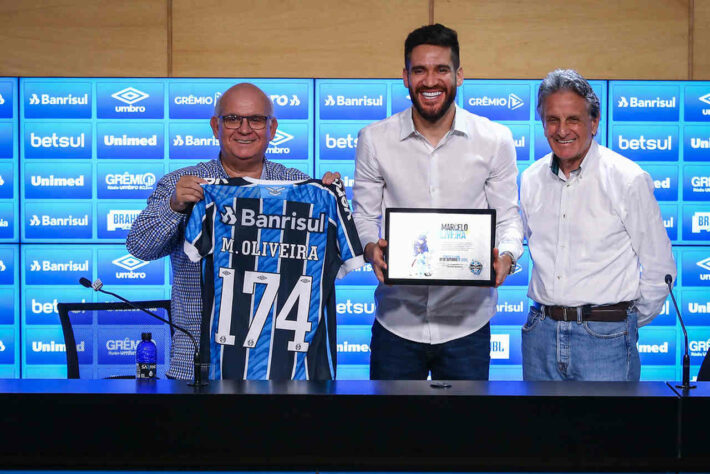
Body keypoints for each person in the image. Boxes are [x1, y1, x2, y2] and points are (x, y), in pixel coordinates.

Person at [127, 83, 339, 380]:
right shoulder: (184, 183)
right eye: (232, 119)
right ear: (216, 126)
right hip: (198, 365)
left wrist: (329, 200)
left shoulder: (300, 187)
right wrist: (174, 205)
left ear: (272, 128)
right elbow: (139, 246)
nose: (244, 129)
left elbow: (332, 261)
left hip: (279, 366)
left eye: (255, 119)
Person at [352, 24, 524, 380]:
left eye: (441, 69)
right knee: (388, 433)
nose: (430, 81)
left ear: (459, 75)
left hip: (467, 324)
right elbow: (364, 217)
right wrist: (371, 249)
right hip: (396, 323)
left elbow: (508, 218)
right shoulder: (374, 139)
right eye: (420, 70)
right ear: (405, 77)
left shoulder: (495, 139)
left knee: (466, 435)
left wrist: (506, 256)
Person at [520, 69, 676, 381]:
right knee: (536, 430)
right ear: (542, 123)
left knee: (609, 430)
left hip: (606, 339)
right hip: (540, 333)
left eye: (573, 119)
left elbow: (661, 271)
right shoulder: (530, 179)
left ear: (594, 122)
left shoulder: (628, 179)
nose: (562, 130)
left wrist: (620, 321)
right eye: (553, 120)